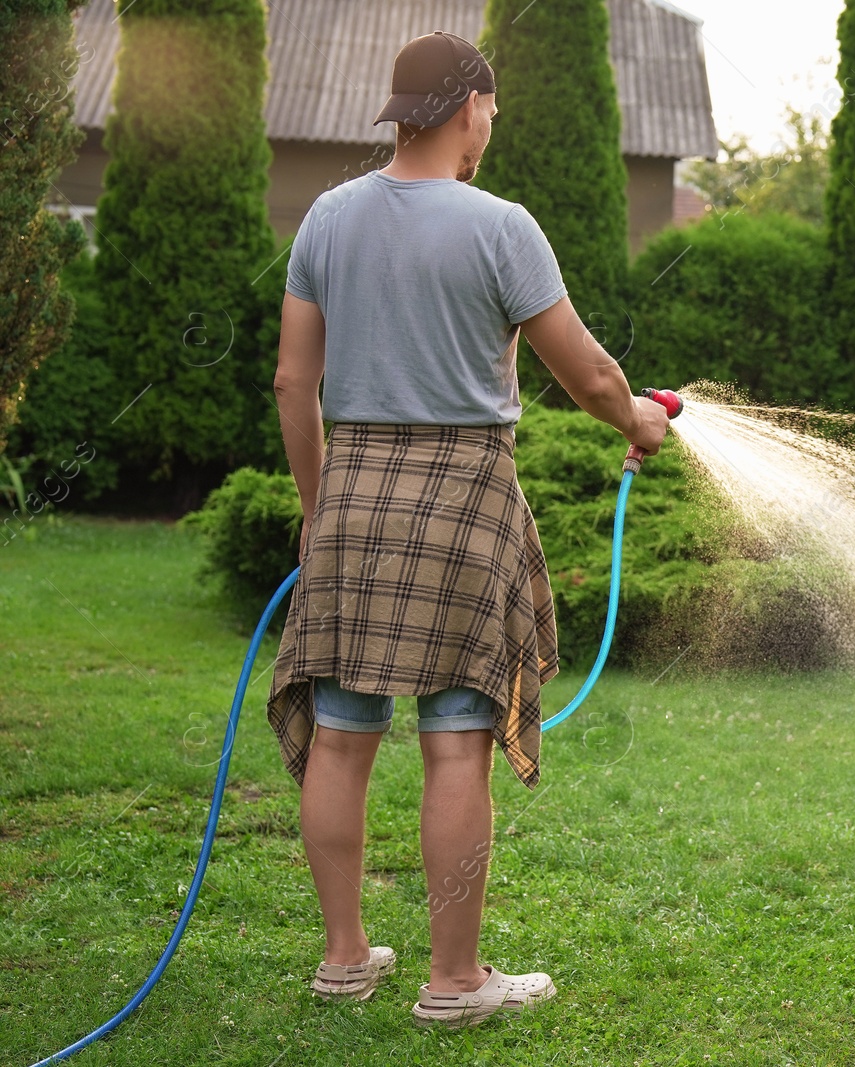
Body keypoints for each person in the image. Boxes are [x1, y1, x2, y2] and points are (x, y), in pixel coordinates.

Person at [265, 30, 669, 1028]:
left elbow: (291, 381)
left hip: (353, 493)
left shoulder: (326, 216)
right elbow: (587, 373)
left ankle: (344, 957)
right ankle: (452, 982)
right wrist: (637, 421)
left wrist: (320, 511)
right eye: (490, 108)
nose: (491, 123)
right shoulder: (501, 226)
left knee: (343, 739)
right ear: (466, 110)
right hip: (464, 501)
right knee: (455, 745)